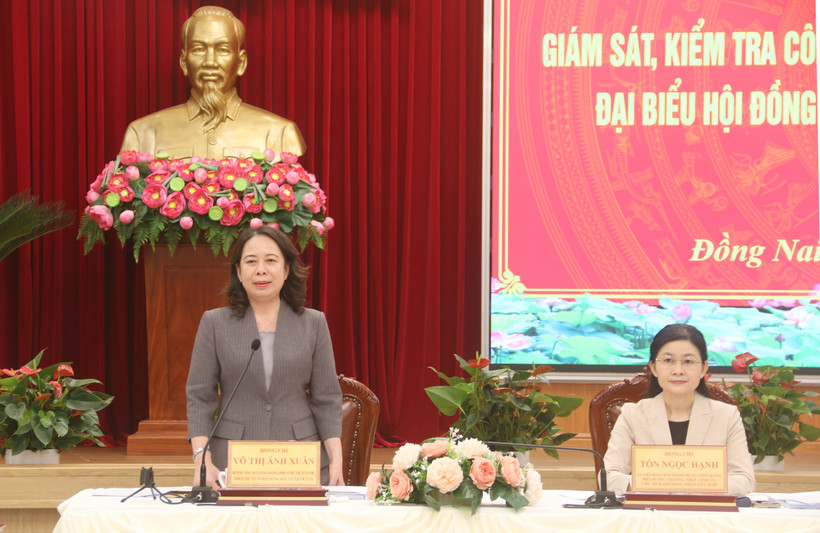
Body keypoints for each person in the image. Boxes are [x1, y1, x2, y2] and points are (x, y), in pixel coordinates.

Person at [186, 226, 343, 489]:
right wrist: (202, 459)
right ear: (238, 271)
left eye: (271, 260)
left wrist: (336, 458)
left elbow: (326, 399)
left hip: (299, 460)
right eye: (251, 262)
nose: (261, 270)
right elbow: (200, 398)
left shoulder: (313, 323)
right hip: (232, 462)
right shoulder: (214, 323)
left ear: (286, 269)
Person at [120, 6, 306, 159]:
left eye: (222, 50)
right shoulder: (143, 133)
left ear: (241, 63)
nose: (210, 62)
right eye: (199, 49)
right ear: (184, 62)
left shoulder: (280, 133)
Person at [603, 324, 755, 495]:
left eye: (688, 361)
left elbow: (744, 480)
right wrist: (663, 482)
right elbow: (608, 477)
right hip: (651, 515)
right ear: (653, 367)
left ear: (703, 368)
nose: (678, 371)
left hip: (705, 516)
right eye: (668, 361)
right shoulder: (632, 415)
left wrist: (682, 482)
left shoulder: (727, 415)